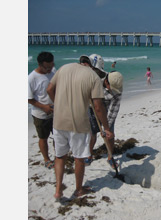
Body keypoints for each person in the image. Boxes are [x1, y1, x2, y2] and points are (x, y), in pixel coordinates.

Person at [46, 55, 114, 199]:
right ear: (93, 67)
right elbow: (98, 106)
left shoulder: (64, 68)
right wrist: (106, 128)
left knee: (60, 156)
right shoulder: (93, 77)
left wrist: (58, 104)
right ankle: (78, 190)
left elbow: (49, 89)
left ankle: (58, 190)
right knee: (79, 158)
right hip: (79, 124)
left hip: (58, 121)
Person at [86, 70, 123, 168]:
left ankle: (110, 157)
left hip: (107, 110)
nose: (114, 90)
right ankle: (89, 154)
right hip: (93, 109)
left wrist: (106, 128)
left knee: (110, 134)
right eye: (112, 88)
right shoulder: (95, 83)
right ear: (106, 82)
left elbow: (113, 111)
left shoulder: (118, 90)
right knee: (92, 133)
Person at [28, 52, 56, 169]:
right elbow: (29, 99)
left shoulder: (53, 70)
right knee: (43, 138)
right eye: (46, 67)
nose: (49, 69)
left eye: (51, 65)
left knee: (58, 136)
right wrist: (44, 107)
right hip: (40, 114)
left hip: (55, 112)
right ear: (39, 64)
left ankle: (58, 155)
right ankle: (47, 159)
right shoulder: (31, 78)